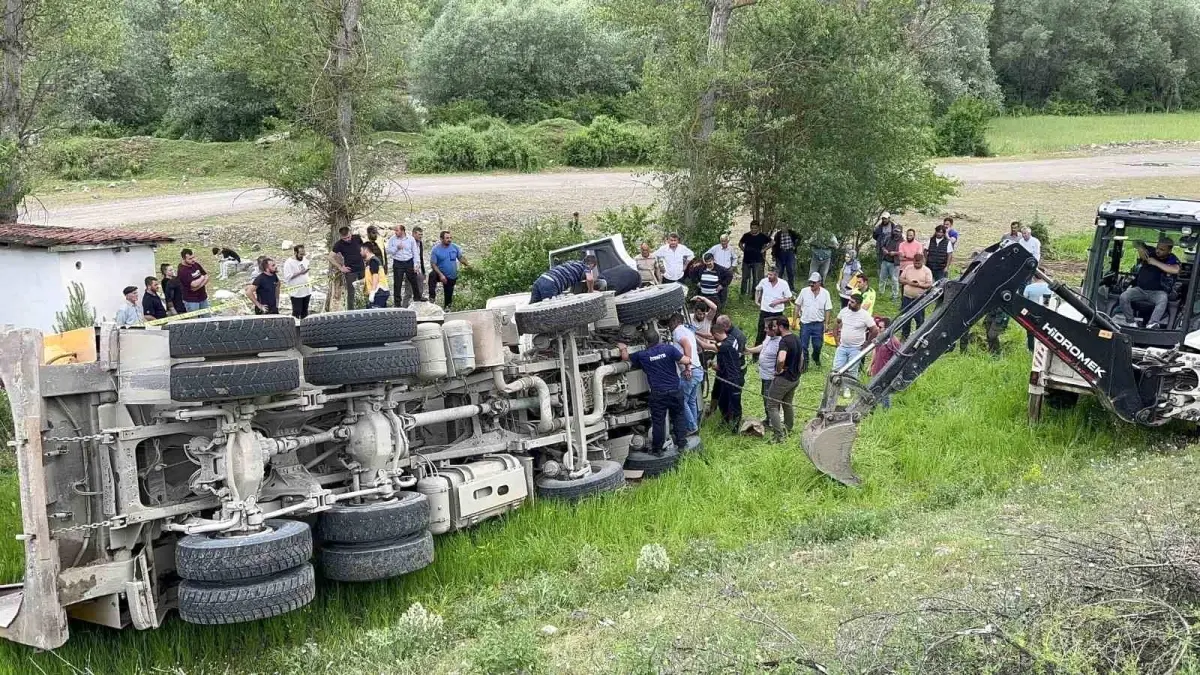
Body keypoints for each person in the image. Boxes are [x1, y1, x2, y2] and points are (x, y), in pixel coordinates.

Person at [617, 333, 690, 456]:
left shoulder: (643, 355)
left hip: (658, 394)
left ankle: (657, 450)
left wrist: (622, 347)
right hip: (675, 391)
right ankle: (682, 445)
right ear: (660, 339)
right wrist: (689, 365)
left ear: (646, 342)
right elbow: (685, 360)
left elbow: (625, 358)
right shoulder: (669, 349)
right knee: (678, 417)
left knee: (658, 422)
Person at [1119, 237, 1181, 329]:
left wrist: (1155, 262)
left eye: (1162, 249)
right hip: (1140, 289)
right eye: (1157, 248)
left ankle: (1152, 323)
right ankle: (1130, 322)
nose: (1158, 251)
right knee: (1124, 296)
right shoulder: (1151, 251)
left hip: (1158, 292)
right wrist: (1141, 248)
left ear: (1169, 250)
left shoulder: (1171, 258)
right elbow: (1136, 241)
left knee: (1163, 299)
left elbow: (1175, 270)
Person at [766, 317, 802, 442]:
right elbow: (801, 358)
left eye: (775, 326)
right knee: (787, 403)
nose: (773, 328)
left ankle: (778, 436)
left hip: (784, 379)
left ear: (781, 327)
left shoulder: (784, 341)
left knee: (771, 405)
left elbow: (781, 359)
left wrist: (778, 370)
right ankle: (788, 428)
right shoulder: (796, 337)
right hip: (795, 378)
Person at [833, 294, 878, 389]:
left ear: (859, 304)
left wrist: (867, 343)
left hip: (856, 348)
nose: (849, 303)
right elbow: (836, 323)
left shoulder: (865, 315)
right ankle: (836, 387)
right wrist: (836, 339)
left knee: (852, 370)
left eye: (852, 302)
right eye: (849, 301)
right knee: (837, 368)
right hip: (842, 346)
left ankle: (848, 389)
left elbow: (875, 330)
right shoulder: (844, 311)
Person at [669, 313, 703, 435]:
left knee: (681, 400)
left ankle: (691, 427)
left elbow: (686, 345)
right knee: (691, 401)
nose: (669, 326)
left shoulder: (678, 331)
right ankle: (694, 426)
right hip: (698, 369)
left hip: (690, 371)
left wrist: (688, 366)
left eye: (670, 323)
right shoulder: (688, 331)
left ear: (674, 321)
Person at [710, 317, 746, 431]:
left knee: (735, 404)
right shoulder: (730, 337)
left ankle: (735, 427)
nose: (714, 338)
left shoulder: (725, 345)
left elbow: (710, 346)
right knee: (723, 401)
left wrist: (696, 339)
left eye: (714, 336)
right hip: (726, 377)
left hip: (734, 378)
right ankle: (725, 420)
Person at [795, 271, 833, 370]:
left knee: (818, 345)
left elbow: (828, 309)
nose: (811, 284)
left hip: (818, 324)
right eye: (810, 282)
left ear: (819, 283)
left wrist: (826, 324)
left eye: (814, 282)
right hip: (805, 323)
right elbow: (797, 305)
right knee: (803, 345)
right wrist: (794, 320)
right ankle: (805, 364)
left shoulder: (825, 293)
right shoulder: (804, 291)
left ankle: (815, 357)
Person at [745, 319, 781, 419]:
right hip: (764, 375)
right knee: (765, 396)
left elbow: (782, 360)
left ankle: (773, 420)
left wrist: (777, 373)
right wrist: (749, 350)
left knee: (770, 400)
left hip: (771, 376)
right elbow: (762, 346)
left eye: (766, 328)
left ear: (773, 329)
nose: (764, 330)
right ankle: (768, 418)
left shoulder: (780, 343)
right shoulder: (769, 337)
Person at [387, 224, 425, 307]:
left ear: (402, 231)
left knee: (414, 281)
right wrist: (397, 247)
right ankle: (397, 304)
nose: (395, 232)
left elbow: (415, 252)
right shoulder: (392, 239)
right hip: (398, 262)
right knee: (397, 283)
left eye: (397, 230)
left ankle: (417, 299)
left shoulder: (410, 239)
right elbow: (388, 251)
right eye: (395, 231)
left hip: (409, 261)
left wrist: (416, 264)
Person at [429, 230, 468, 309]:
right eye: (447, 238)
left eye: (450, 238)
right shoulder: (436, 249)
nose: (449, 239)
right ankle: (432, 297)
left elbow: (460, 258)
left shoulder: (455, 247)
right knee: (432, 275)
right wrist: (441, 275)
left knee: (448, 297)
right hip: (440, 273)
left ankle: (447, 310)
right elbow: (433, 264)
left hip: (451, 275)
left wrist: (468, 265)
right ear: (441, 239)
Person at [898, 252, 934, 339]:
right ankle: (904, 336)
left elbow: (929, 285)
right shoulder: (908, 268)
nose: (916, 264)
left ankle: (918, 338)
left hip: (919, 299)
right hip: (906, 298)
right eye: (915, 262)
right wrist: (908, 282)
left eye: (918, 263)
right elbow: (900, 279)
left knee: (919, 319)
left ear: (923, 261)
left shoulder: (927, 271)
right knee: (905, 318)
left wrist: (919, 285)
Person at [754, 267, 792, 346]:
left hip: (777, 313)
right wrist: (756, 300)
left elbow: (789, 298)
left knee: (777, 332)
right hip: (765, 311)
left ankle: (776, 350)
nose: (769, 276)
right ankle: (756, 354)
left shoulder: (783, 283)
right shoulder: (764, 281)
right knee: (761, 332)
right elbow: (757, 289)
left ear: (776, 275)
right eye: (768, 274)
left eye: (771, 275)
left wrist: (779, 301)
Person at [870, 316, 902, 409]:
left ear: (887, 328)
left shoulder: (894, 342)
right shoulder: (879, 338)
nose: (878, 329)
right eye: (878, 326)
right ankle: (872, 410)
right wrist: (871, 365)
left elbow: (897, 360)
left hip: (886, 373)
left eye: (880, 327)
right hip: (876, 370)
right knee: (872, 391)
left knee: (885, 394)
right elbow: (875, 352)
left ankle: (885, 412)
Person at [332, 226, 366, 310]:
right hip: (350, 271)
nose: (347, 239)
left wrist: (366, 261)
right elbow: (330, 257)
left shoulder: (357, 238)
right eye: (344, 238)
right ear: (340, 236)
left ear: (350, 233)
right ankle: (350, 312)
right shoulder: (339, 244)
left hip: (362, 268)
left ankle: (368, 308)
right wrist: (340, 267)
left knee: (367, 288)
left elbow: (363, 249)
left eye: (348, 237)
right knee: (351, 294)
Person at [739, 220, 772, 296]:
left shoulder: (762, 236)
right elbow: (740, 243)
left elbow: (772, 242)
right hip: (746, 260)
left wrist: (764, 249)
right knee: (744, 278)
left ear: (758, 228)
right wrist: (744, 250)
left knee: (756, 279)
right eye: (752, 228)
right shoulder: (746, 235)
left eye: (755, 228)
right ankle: (743, 294)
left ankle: (755, 295)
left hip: (758, 260)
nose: (753, 230)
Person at [283, 245, 312, 319]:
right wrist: (300, 273)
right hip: (296, 292)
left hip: (306, 290)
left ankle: (305, 329)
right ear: (295, 253)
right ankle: (295, 328)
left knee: (305, 312)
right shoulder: (289, 262)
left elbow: (305, 270)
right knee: (297, 311)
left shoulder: (305, 259)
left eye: (303, 254)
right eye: (300, 254)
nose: (302, 256)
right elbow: (287, 277)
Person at [178, 248, 210, 312]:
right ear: (184, 259)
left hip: (203, 297)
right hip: (191, 300)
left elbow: (206, 276)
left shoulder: (196, 264)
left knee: (207, 318)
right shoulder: (182, 270)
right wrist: (202, 277)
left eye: (193, 257)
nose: (193, 260)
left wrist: (199, 285)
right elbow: (194, 284)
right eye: (190, 259)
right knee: (194, 320)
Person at [879, 220, 903, 300]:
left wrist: (895, 253)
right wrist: (884, 250)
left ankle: (895, 296)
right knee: (882, 278)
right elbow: (882, 245)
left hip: (895, 263)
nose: (896, 233)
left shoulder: (902, 241)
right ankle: (881, 293)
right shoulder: (888, 237)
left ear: (901, 232)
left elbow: (903, 253)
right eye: (895, 231)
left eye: (898, 231)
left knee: (895, 280)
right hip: (885, 261)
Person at [404, 226, 427, 306]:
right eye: (419, 234)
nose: (421, 236)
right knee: (408, 292)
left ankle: (418, 306)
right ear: (413, 233)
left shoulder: (420, 243)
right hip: (409, 269)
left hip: (418, 269)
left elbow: (420, 257)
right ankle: (404, 308)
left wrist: (423, 271)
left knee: (420, 290)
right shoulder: (408, 242)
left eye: (422, 235)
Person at [361, 243, 390, 308]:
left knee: (374, 313)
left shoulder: (373, 261)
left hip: (379, 291)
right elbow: (370, 277)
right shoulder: (370, 262)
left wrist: (373, 292)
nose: (360, 253)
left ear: (366, 250)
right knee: (381, 315)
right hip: (379, 292)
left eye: (361, 250)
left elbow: (375, 276)